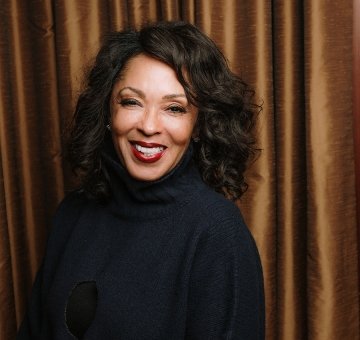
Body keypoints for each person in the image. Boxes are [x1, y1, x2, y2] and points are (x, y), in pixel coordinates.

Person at [17, 21, 264, 339]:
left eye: (174, 108)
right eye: (131, 102)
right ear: (108, 111)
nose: (149, 126)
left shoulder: (216, 232)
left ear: (200, 126)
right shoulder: (73, 213)